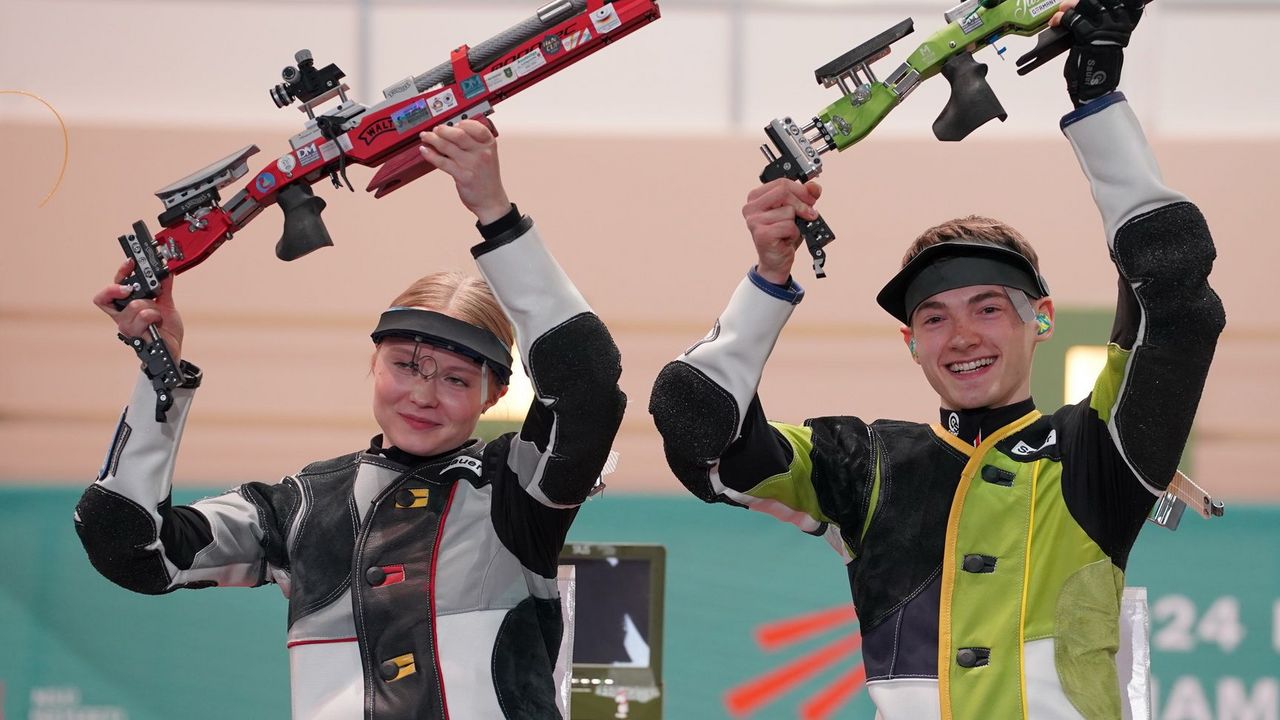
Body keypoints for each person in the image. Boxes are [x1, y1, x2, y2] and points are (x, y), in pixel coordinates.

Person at [648, 1, 1224, 717]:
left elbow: (1175, 297)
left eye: (989, 307)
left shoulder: (1099, 451)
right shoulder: (865, 463)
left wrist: (1097, 98)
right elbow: (700, 435)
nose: (962, 337)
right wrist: (768, 277)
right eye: (934, 318)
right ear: (910, 343)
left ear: (1040, 319)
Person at [77, 119, 626, 720]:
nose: (423, 394)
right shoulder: (303, 504)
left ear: (494, 395)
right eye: (406, 365)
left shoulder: (517, 486)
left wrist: (496, 214)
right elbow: (132, 547)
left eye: (456, 379)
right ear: (375, 363)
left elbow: (589, 388)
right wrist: (162, 374)